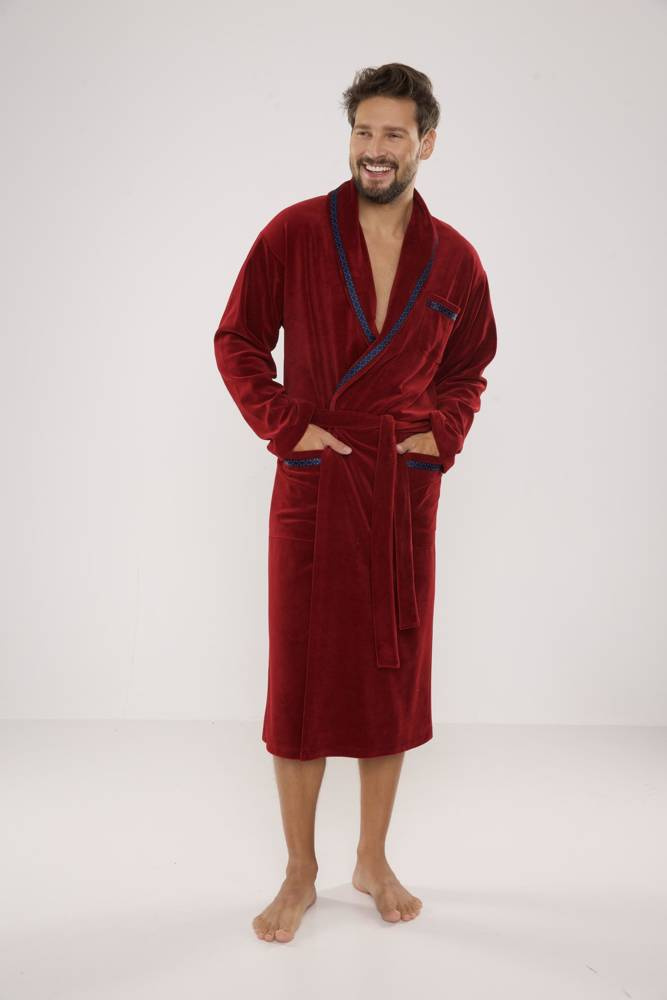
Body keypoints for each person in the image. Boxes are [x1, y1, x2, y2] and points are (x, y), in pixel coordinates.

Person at [213, 62, 498, 943]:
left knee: (389, 677)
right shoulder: (296, 233)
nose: (375, 150)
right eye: (363, 132)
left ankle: (371, 860)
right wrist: (286, 426)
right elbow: (238, 339)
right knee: (298, 683)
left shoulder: (454, 259)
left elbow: (469, 366)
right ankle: (299, 871)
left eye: (393, 135)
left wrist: (440, 434)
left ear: (425, 144)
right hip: (318, 485)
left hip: (396, 496)